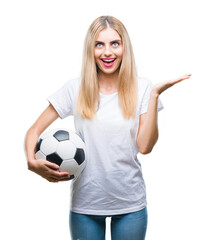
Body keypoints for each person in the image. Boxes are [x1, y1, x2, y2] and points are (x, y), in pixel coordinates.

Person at [25, 15, 191, 240]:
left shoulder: (143, 88)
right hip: (86, 204)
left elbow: (144, 147)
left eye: (115, 43)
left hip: (130, 203)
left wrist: (153, 96)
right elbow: (33, 131)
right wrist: (32, 162)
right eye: (99, 44)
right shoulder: (75, 89)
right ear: (90, 50)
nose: (107, 52)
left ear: (124, 47)